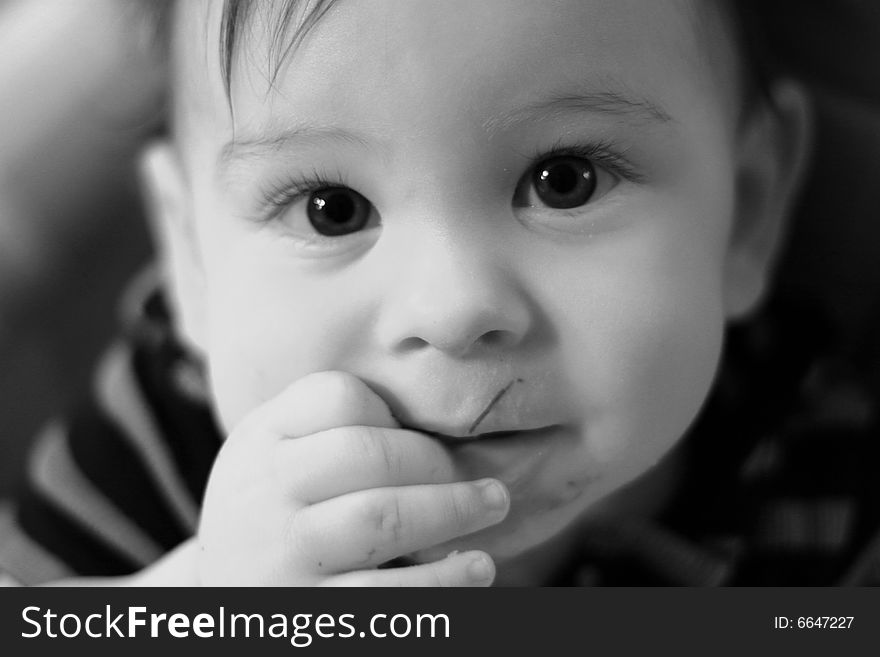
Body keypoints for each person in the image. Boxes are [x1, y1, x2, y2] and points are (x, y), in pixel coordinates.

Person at [1, 0, 879, 586]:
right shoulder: (155, 455)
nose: (455, 309)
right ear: (190, 256)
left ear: (746, 212)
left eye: (564, 179)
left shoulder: (820, 458)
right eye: (331, 208)